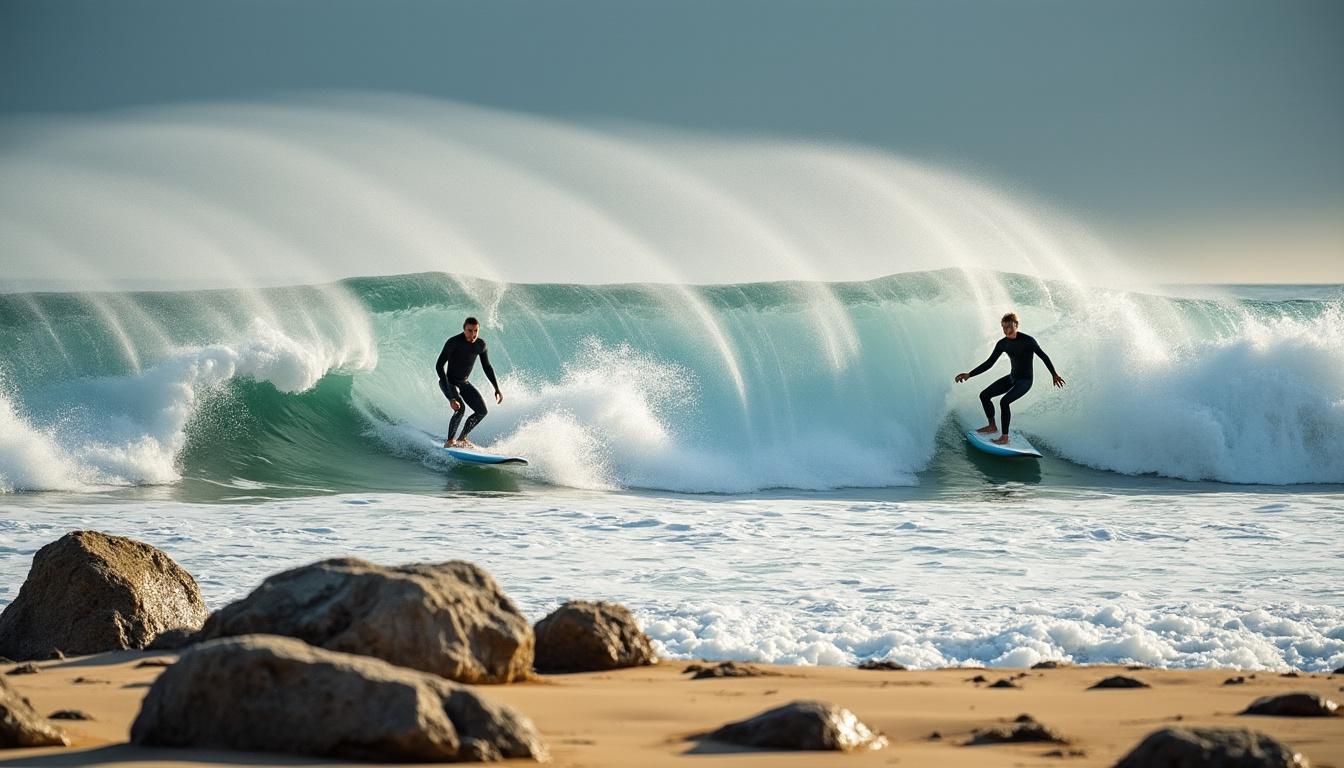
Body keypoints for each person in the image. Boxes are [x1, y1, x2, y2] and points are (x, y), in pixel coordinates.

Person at [954, 312, 1065, 445]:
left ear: (1016, 325)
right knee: (984, 395)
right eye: (1004, 327)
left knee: (1004, 402)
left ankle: (1005, 437)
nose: (1007, 330)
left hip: (1025, 381)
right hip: (1012, 377)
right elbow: (989, 363)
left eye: (1009, 327)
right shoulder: (1002, 344)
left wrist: (1054, 374)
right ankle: (992, 426)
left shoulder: (1028, 341)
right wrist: (969, 374)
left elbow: (1043, 356)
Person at [435, 316, 503, 448]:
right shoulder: (453, 342)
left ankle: (462, 439)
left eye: (476, 330)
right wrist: (451, 397)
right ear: (464, 329)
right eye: (470, 330)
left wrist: (496, 388)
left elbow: (487, 367)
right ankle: (450, 441)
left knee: (482, 411)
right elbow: (439, 366)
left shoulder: (480, 345)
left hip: (463, 382)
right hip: (448, 382)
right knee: (460, 408)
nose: (473, 334)